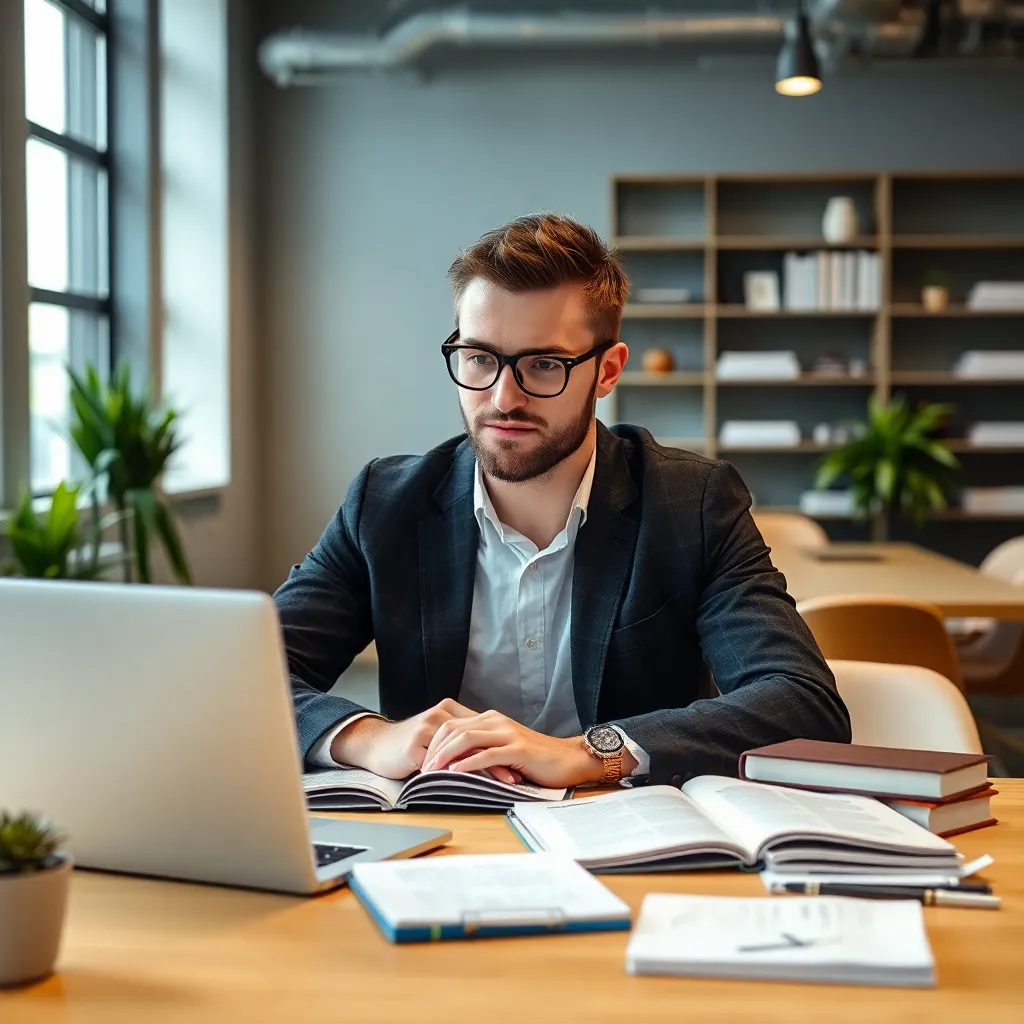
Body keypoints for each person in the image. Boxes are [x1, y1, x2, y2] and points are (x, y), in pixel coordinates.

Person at [274, 213, 850, 790]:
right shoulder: (384, 505)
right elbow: (242, 675)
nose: (503, 397)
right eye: (479, 358)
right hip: (440, 843)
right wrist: (371, 737)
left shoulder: (691, 505)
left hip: (627, 839)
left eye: (544, 364)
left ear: (607, 371)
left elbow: (801, 704)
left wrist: (589, 752)